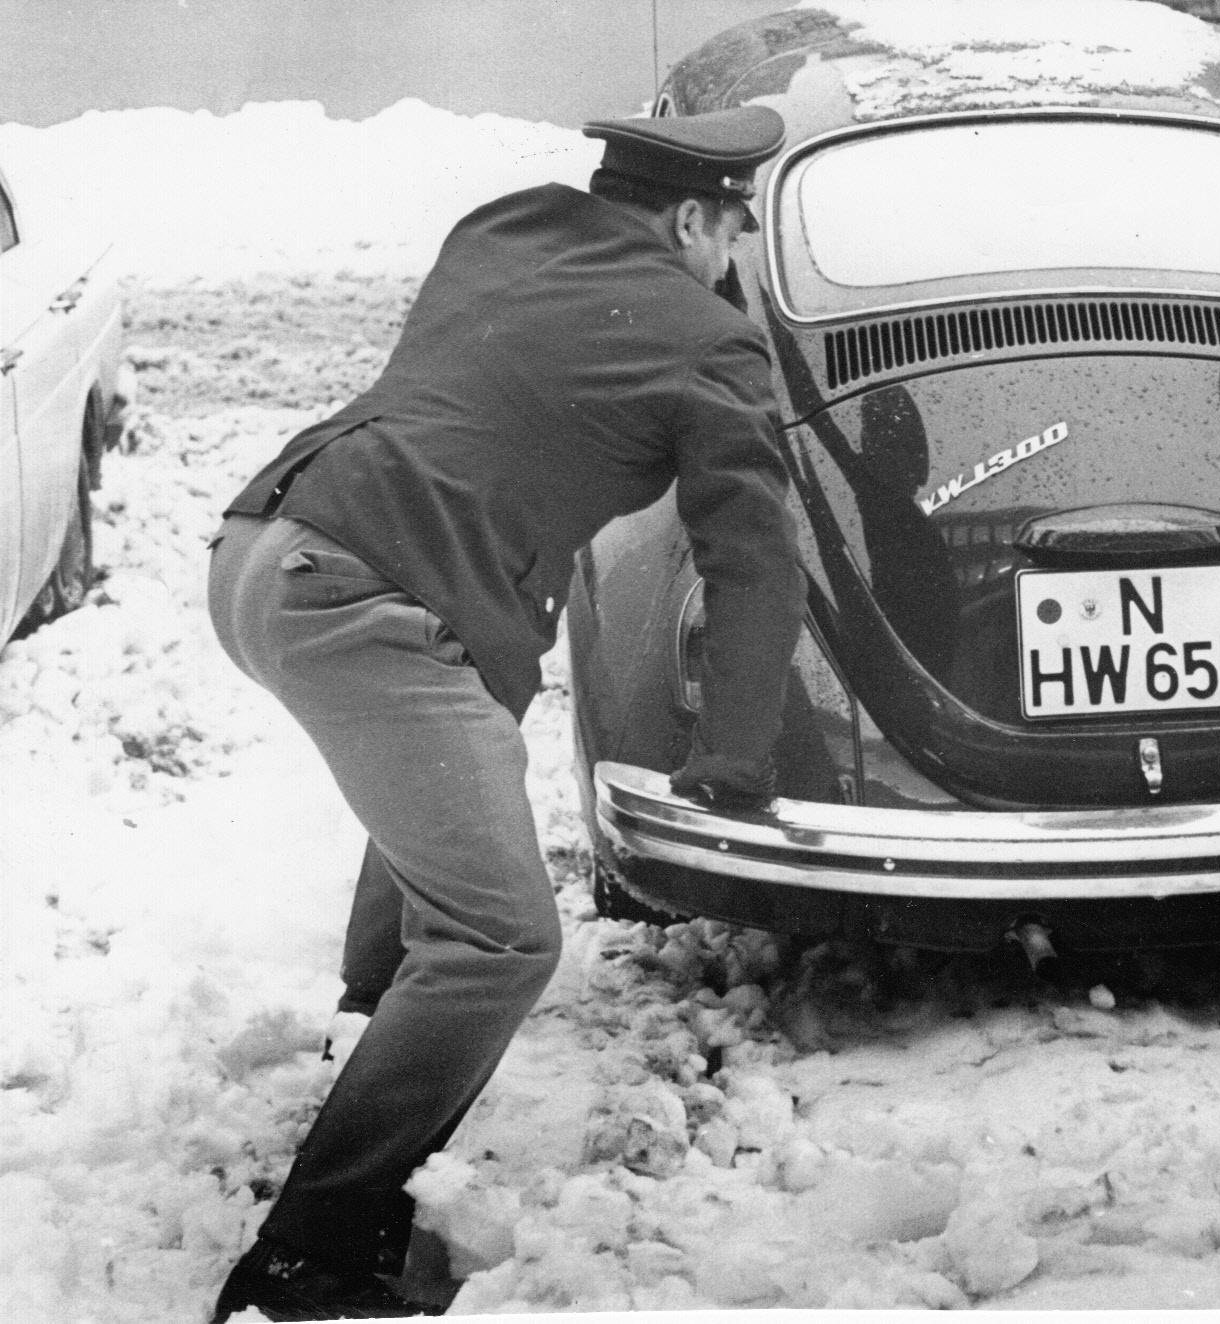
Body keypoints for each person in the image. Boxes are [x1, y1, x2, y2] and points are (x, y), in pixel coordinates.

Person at [206, 106, 806, 1320]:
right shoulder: (709, 342)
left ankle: (366, 1032)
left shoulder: (497, 229)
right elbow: (752, 555)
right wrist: (733, 750)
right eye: (733, 230)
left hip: (262, 545)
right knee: (500, 941)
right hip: (367, 601)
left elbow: (518, 391)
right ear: (694, 218)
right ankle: (304, 1263)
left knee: (457, 756)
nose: (734, 260)